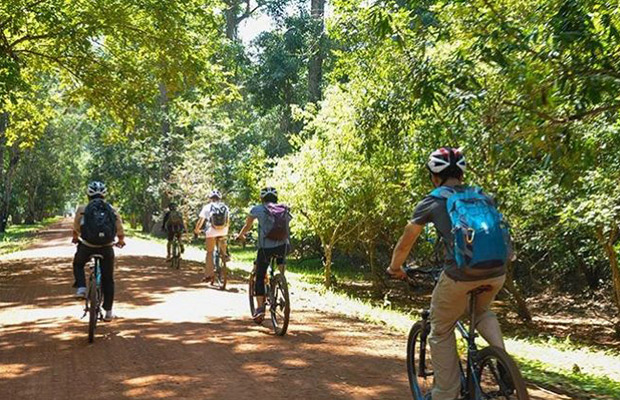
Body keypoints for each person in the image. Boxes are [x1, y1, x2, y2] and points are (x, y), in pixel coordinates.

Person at [387, 147, 509, 400]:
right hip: (497, 271)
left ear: (434, 175)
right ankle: (504, 365)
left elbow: (406, 240)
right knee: (482, 312)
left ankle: (446, 392)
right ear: (462, 174)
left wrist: (395, 268)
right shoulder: (483, 197)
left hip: (460, 275)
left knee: (440, 328)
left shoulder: (432, 201)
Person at [236, 187, 292, 322]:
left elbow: (248, 225)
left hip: (266, 248)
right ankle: (281, 281)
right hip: (283, 246)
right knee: (280, 257)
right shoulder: (284, 208)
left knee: (260, 276)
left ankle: (260, 309)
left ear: (262, 198)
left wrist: (240, 235)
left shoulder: (257, 209)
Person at [72, 181, 126, 322]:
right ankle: (108, 312)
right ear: (104, 194)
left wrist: (75, 237)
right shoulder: (111, 208)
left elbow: (76, 226)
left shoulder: (83, 208)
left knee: (78, 264)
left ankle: (82, 288)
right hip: (106, 247)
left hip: (87, 245)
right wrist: (120, 240)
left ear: (88, 194)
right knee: (108, 279)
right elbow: (119, 226)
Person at [194, 190, 230, 283]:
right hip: (223, 230)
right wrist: (226, 231)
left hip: (211, 231)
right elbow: (228, 221)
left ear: (210, 198)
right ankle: (225, 255)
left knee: (209, 252)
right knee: (222, 241)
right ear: (220, 198)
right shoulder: (225, 207)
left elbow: (201, 221)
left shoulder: (207, 207)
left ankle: (208, 275)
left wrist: (197, 230)